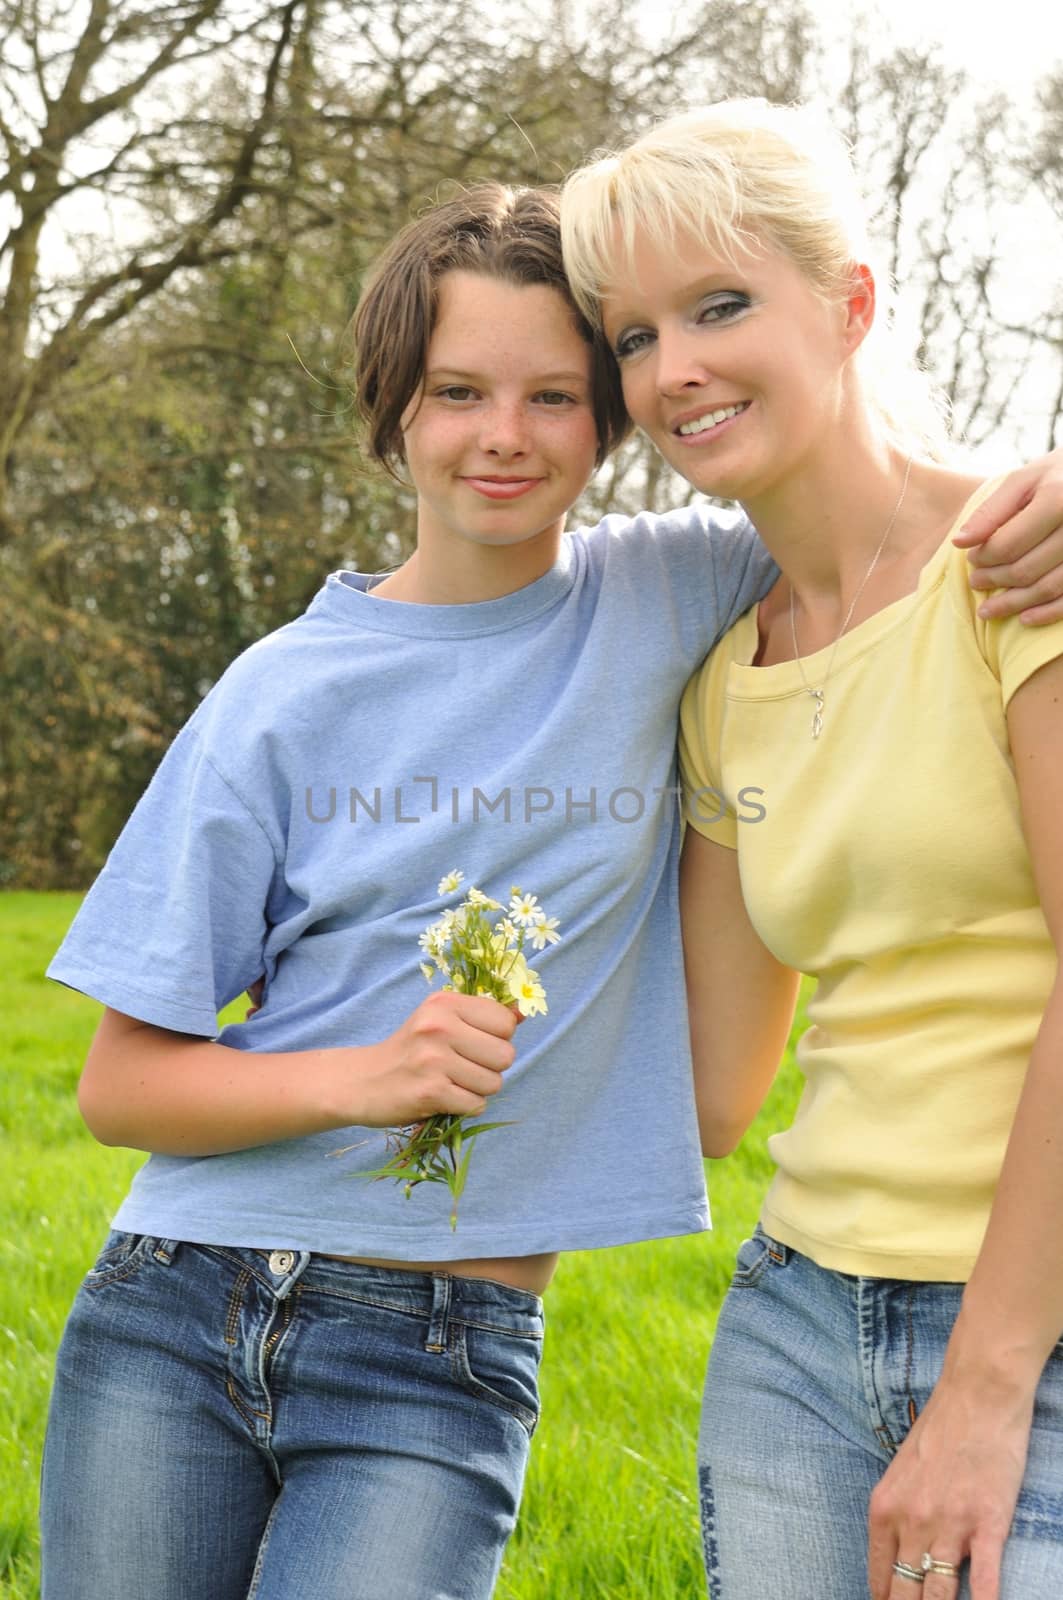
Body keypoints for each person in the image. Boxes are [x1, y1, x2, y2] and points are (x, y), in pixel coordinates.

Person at [40, 179, 1063, 1600]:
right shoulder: (276, 694)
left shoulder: (672, 592)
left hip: (444, 1346)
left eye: (555, 396)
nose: (504, 437)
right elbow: (117, 1088)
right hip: (175, 1299)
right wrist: (363, 1077)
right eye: (458, 391)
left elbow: (881, 496)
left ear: (611, 425)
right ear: (394, 409)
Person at [560, 99, 1063, 1600]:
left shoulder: (1019, 572)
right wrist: (375, 1063)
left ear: (847, 304)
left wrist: (984, 1386)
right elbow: (713, 1092)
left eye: (720, 306)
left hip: (1028, 1331)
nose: (676, 370)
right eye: (635, 337)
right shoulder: (728, 682)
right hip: (794, 1323)